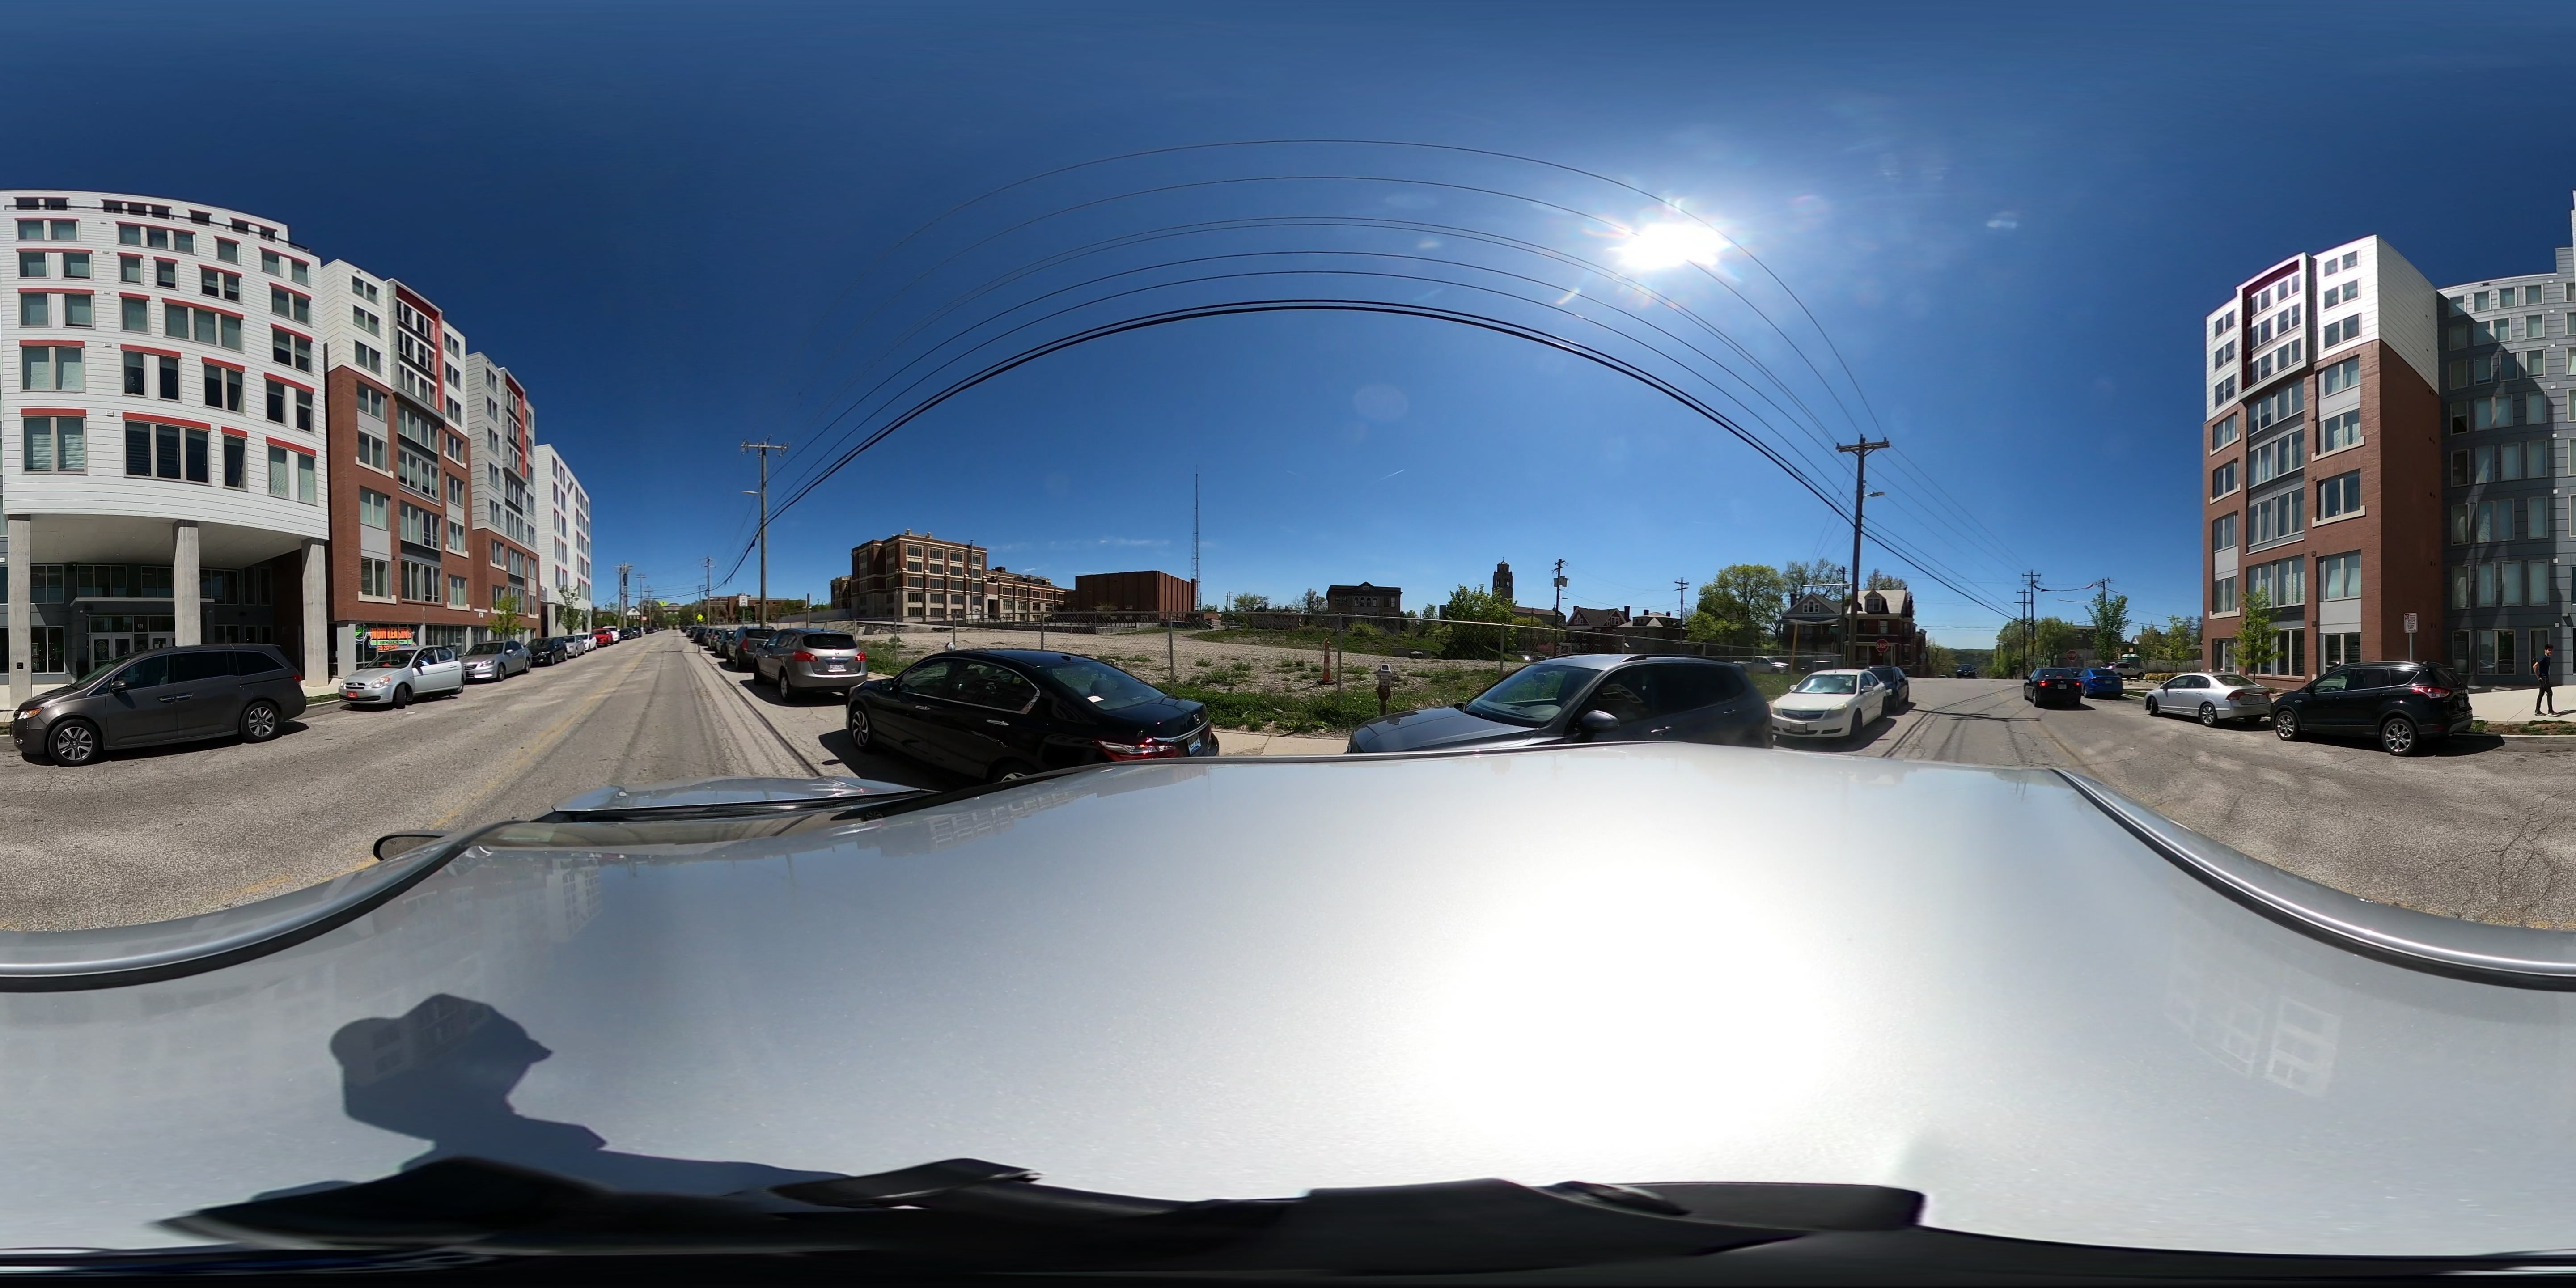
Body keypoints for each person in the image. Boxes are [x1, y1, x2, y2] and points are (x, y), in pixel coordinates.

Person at [2538, 644, 2560, 716]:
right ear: (2545, 650)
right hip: (2544, 679)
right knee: (2550, 693)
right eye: (2549, 650)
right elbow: (2535, 666)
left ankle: (2537, 711)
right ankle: (2550, 711)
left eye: (2551, 650)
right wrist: (2538, 677)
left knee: (2541, 695)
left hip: (2544, 678)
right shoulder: (2544, 658)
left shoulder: (2547, 658)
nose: (2551, 652)